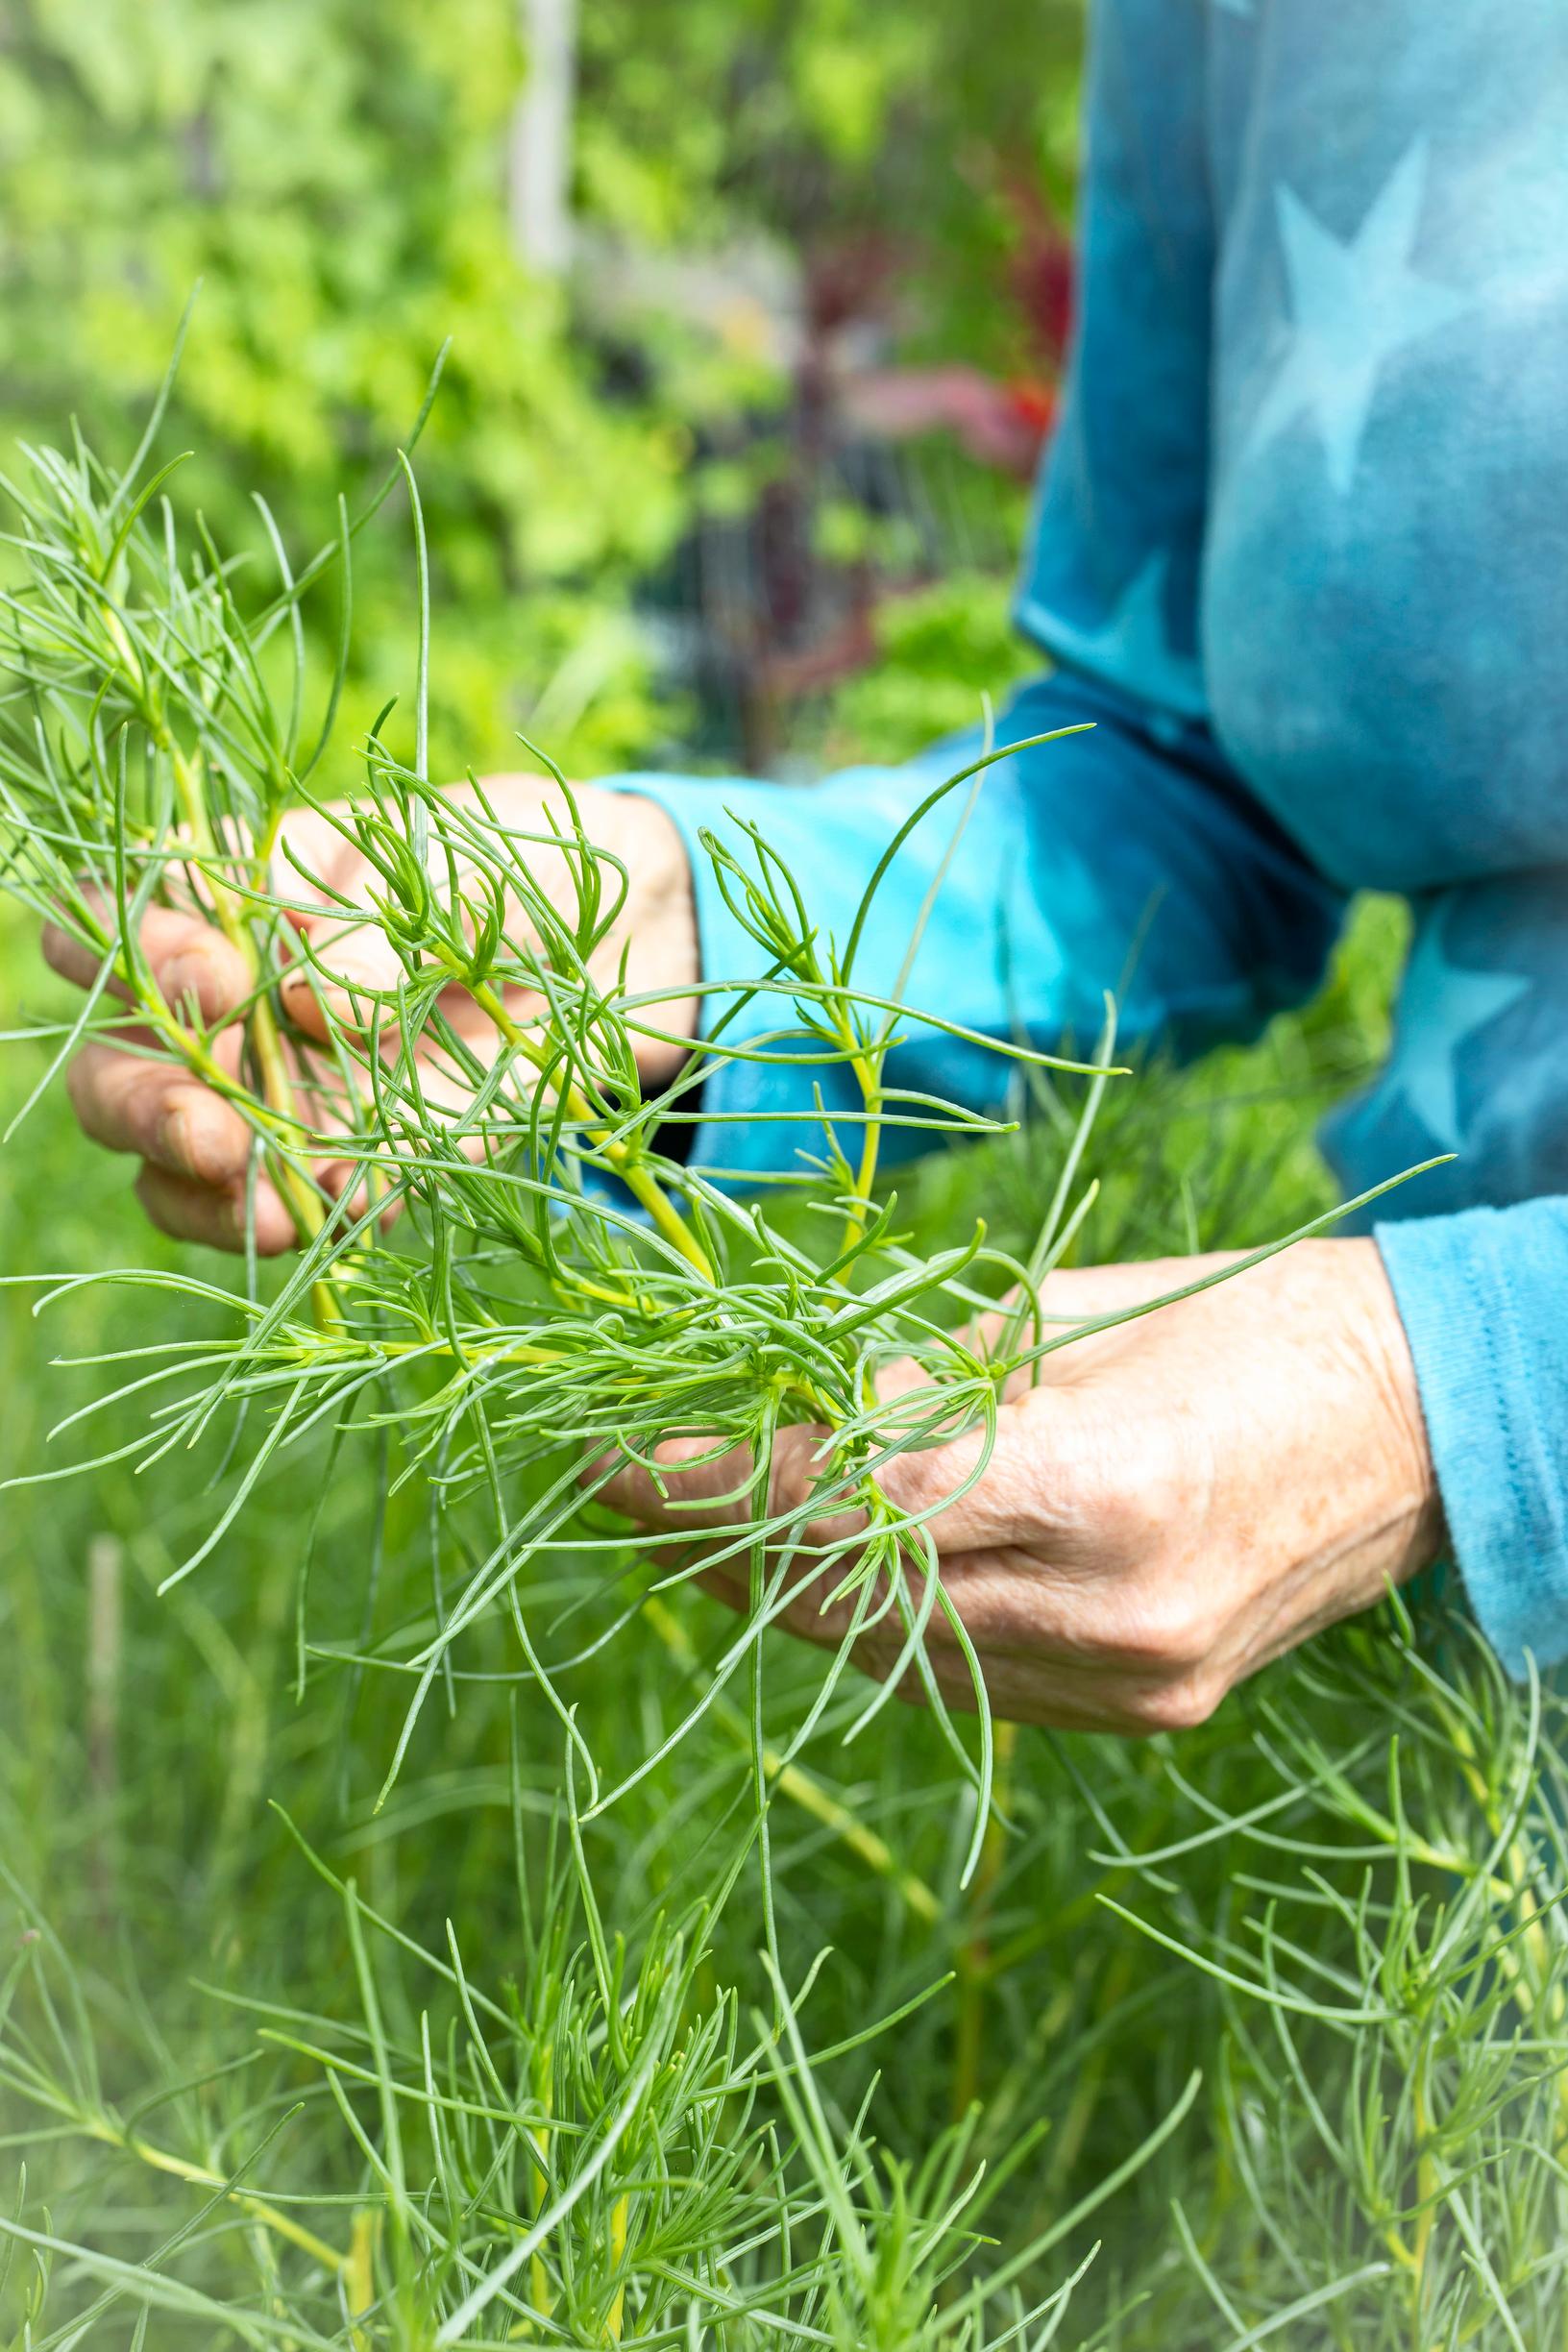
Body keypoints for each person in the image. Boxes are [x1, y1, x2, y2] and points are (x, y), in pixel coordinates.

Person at [47, 0, 1568, 1733]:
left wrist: (1469, 1388)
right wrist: (679, 928)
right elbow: (1179, 773)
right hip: (1463, 1740)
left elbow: (1465, 1387)